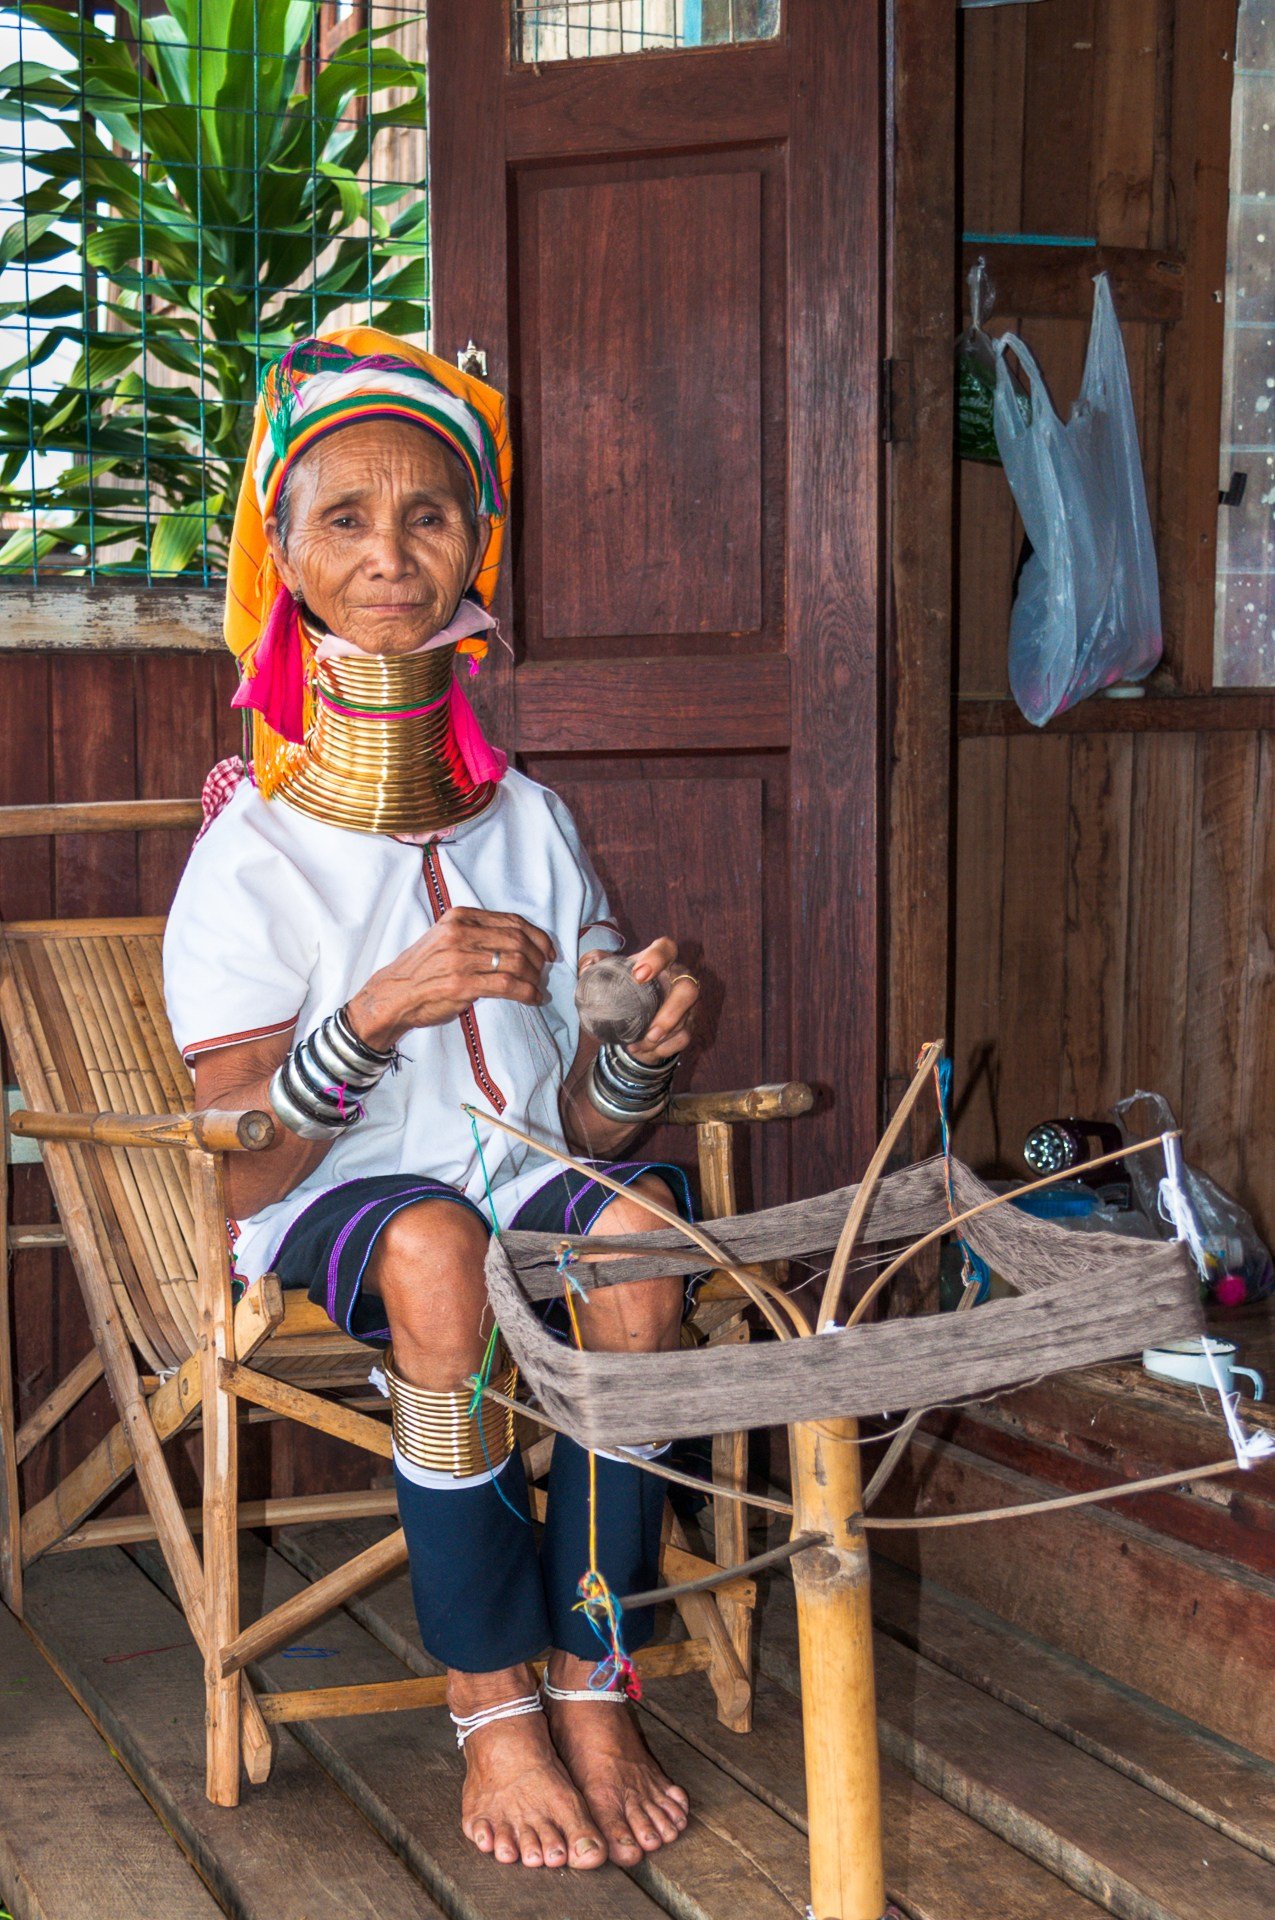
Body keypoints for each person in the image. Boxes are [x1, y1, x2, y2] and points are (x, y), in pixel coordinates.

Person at [163, 329, 702, 1871]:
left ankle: (598, 1675)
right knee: (433, 1248)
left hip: (523, 1179)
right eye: (344, 516)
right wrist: (378, 1010)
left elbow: (592, 1131)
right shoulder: (254, 848)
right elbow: (241, 1175)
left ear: (477, 544)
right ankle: (493, 1701)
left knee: (645, 1233)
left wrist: (637, 1048)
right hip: (343, 1203)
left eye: (431, 516)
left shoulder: (532, 819)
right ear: (285, 554)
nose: (393, 554)